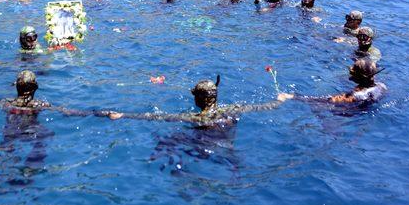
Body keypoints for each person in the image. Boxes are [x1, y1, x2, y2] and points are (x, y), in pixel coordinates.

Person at [105, 76, 292, 127]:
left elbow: (156, 117)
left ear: (200, 98)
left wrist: (124, 115)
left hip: (202, 149)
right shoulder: (234, 109)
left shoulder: (197, 119)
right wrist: (280, 100)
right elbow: (265, 106)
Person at [291, 58, 386, 104]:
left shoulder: (353, 96)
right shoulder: (381, 86)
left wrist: (293, 97)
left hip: (347, 114)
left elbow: (326, 100)